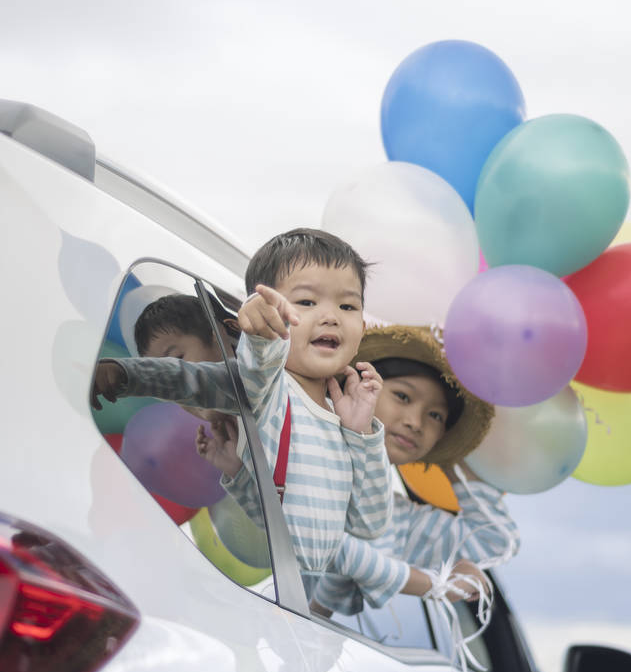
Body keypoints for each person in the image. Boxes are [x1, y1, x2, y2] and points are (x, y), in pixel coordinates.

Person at [91, 228, 393, 573]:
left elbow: (369, 523)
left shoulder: (342, 418)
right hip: (288, 595)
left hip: (300, 600)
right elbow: (207, 374)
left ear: (363, 328)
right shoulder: (265, 388)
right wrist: (126, 374)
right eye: (306, 302)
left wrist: (361, 433)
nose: (331, 316)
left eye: (347, 305)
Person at [309, 324, 520, 616]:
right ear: (356, 385)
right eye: (403, 397)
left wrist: (454, 462)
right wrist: (435, 585)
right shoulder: (308, 451)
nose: (416, 422)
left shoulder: (402, 520)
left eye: (435, 416)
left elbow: (494, 541)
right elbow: (332, 546)